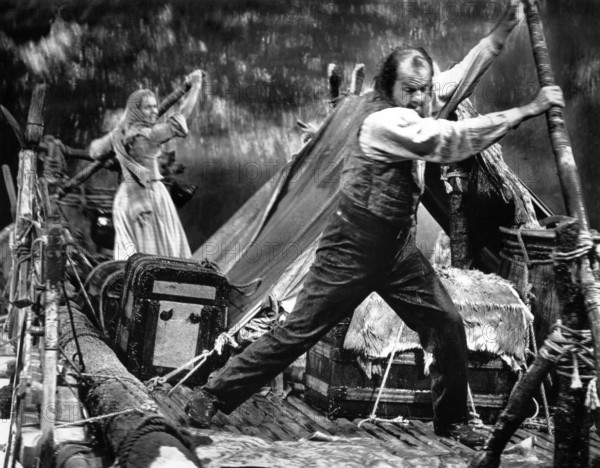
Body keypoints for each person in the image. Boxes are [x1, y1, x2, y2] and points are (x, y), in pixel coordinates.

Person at [186, 1, 564, 446]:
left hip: (396, 251)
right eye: (412, 90)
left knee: (445, 324)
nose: (422, 99)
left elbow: (466, 68)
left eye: (425, 90)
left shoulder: (417, 99)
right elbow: (450, 141)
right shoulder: (384, 120)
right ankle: (212, 396)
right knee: (297, 332)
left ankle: (453, 421)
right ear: (391, 87)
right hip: (351, 249)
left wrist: (507, 25)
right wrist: (527, 109)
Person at [89, 70, 203, 260]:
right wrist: (196, 86)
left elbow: (95, 150)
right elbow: (184, 118)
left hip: (126, 197)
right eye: (148, 108)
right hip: (148, 198)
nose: (154, 111)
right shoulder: (149, 135)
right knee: (156, 254)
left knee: (136, 255)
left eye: (155, 106)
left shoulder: (121, 134)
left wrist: (119, 132)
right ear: (136, 111)